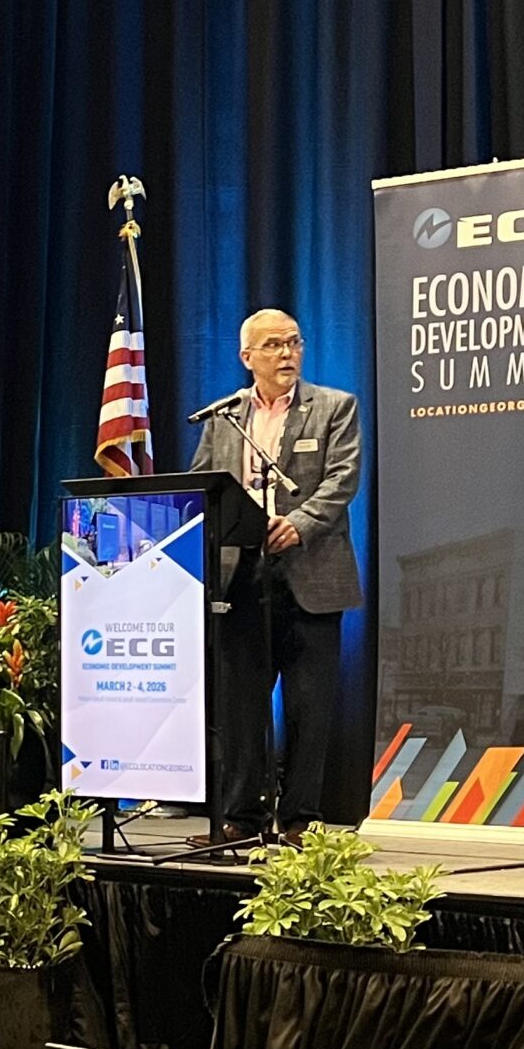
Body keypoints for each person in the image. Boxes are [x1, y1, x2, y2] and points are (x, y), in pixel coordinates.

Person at [186, 309, 363, 841]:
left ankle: (301, 819)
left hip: (312, 575)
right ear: (248, 357)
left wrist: (299, 523)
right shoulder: (224, 417)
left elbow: (342, 478)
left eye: (294, 343)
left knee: (310, 707)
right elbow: (201, 485)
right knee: (240, 707)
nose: (287, 353)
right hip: (242, 577)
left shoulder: (334, 407)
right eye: (273, 345)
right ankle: (241, 819)